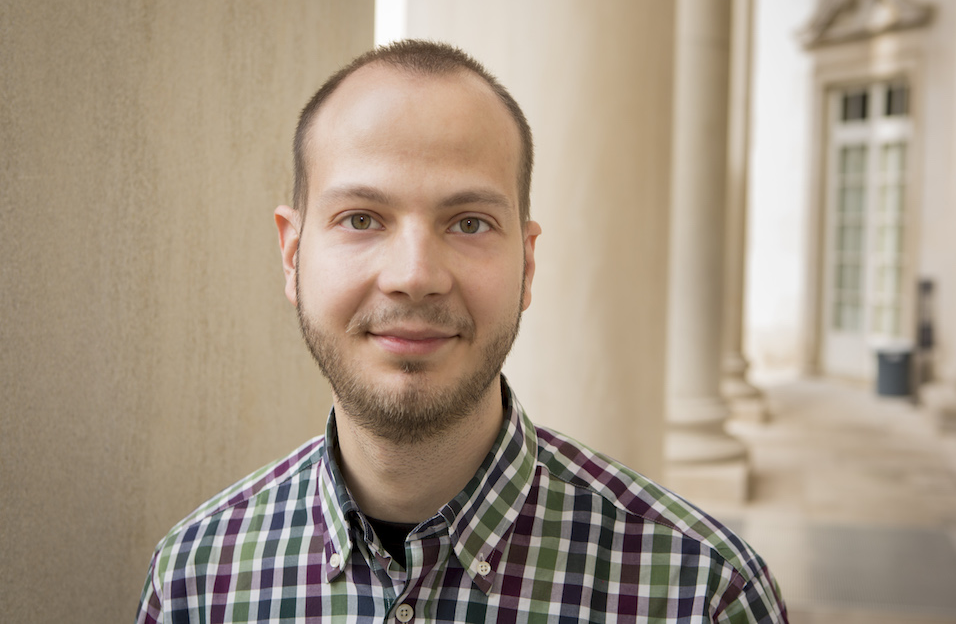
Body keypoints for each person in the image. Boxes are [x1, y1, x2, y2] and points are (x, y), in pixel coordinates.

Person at [136, 39, 788, 623]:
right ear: (292, 254)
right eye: (362, 219)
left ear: (528, 262)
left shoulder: (701, 594)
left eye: (469, 222)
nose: (415, 276)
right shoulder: (196, 581)